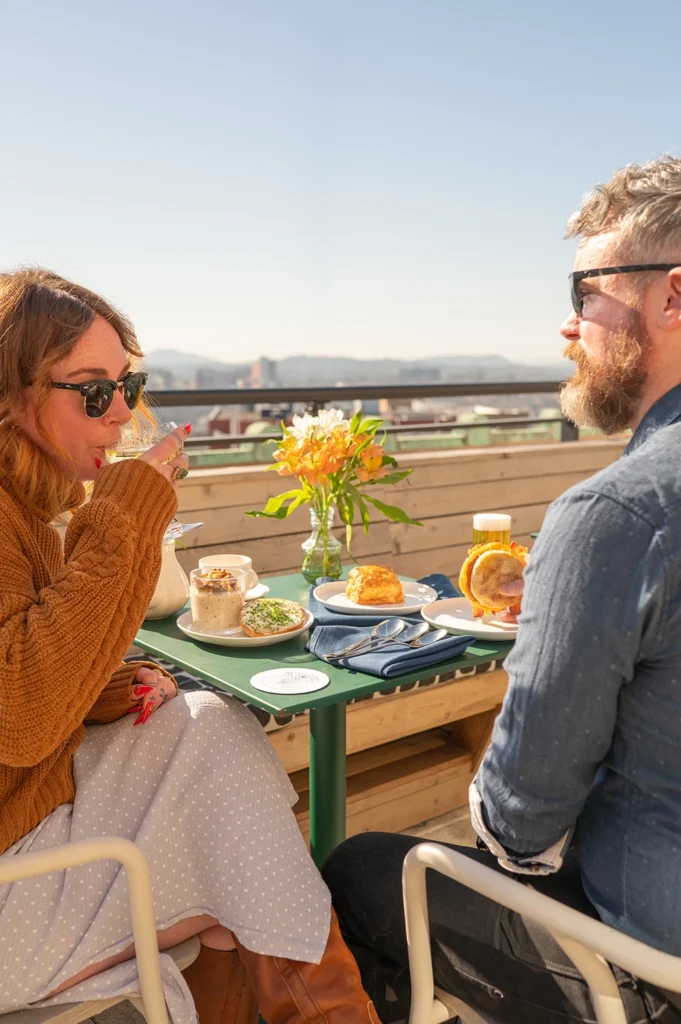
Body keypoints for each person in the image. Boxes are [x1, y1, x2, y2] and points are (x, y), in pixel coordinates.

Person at [323, 154, 681, 1024]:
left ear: (671, 298)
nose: (567, 328)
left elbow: (519, 824)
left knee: (359, 868)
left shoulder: (619, 514)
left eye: (581, 293)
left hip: (648, 969)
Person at [0, 268, 381, 1024]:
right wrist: (124, 511)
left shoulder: (24, 509)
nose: (121, 413)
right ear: (12, 396)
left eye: (128, 385)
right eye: (94, 390)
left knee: (209, 731)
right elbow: (23, 713)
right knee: (221, 773)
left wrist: (109, 684)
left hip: (28, 827)